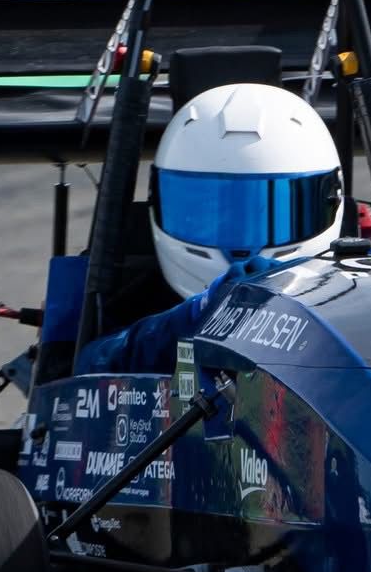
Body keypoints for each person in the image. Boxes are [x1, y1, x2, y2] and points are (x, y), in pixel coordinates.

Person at [76, 82, 344, 374]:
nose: (242, 254)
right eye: (213, 212)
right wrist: (199, 312)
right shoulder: (136, 301)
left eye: (272, 211)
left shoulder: (351, 297)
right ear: (159, 201)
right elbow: (90, 366)